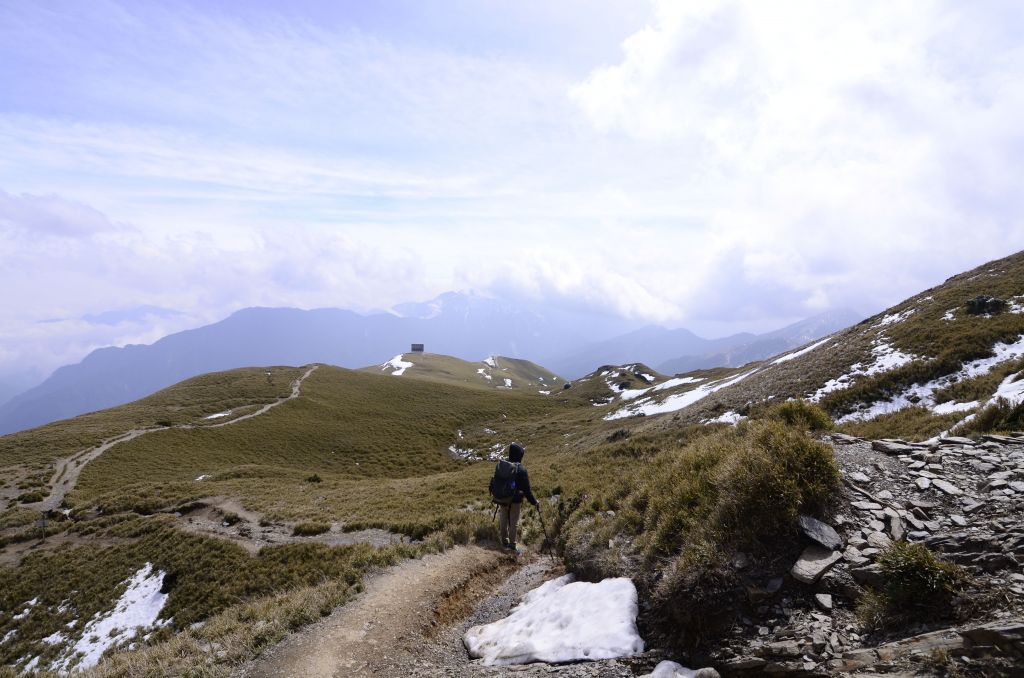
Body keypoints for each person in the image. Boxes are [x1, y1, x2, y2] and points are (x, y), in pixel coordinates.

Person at [493, 442, 538, 551]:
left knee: (503, 518)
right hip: (515, 500)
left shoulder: (503, 466)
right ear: (519, 455)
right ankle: (512, 545)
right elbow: (527, 490)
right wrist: (534, 502)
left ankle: (504, 541)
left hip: (502, 498)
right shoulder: (521, 469)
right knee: (514, 522)